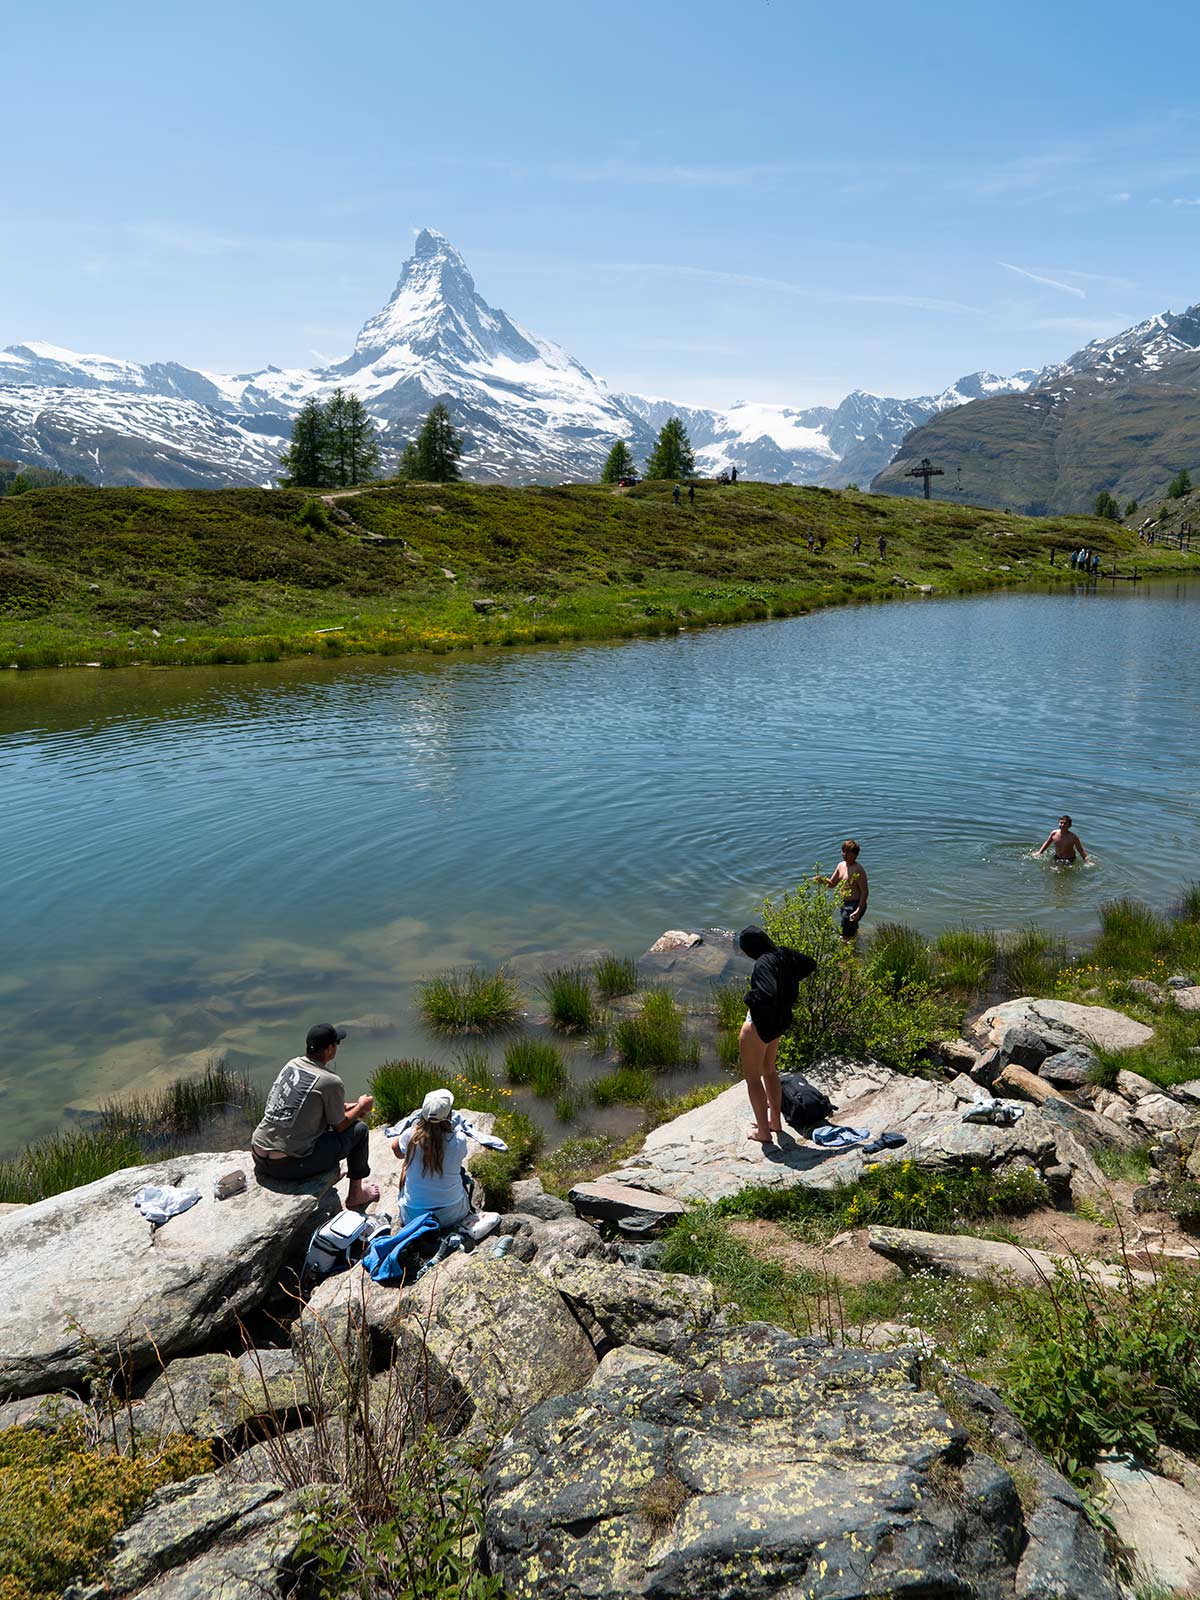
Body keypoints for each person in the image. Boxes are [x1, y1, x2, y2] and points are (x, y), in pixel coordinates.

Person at [251, 1024, 378, 1207]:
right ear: (330, 1049)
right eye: (336, 1044)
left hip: (258, 1156)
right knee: (360, 1130)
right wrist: (360, 1107)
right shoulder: (331, 1081)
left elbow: (309, 1103)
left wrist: (351, 1106)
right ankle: (356, 1195)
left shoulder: (292, 1065)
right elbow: (340, 1126)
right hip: (287, 1167)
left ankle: (325, 1170)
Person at [737, 927, 817, 1144]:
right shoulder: (783, 953)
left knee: (753, 1079)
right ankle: (775, 1122)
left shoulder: (763, 963)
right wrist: (788, 985)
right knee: (769, 1070)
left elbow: (767, 992)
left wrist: (748, 998)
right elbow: (810, 964)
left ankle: (763, 1132)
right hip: (779, 1021)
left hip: (759, 1025)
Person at [391, 1088, 479, 1227]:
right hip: (452, 1214)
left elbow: (396, 1150)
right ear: (449, 1114)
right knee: (458, 1170)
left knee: (406, 1163)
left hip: (413, 1217)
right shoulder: (458, 1139)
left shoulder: (410, 1135)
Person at [826, 839, 869, 939]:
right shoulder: (840, 865)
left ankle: (847, 948)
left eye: (847, 852)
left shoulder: (858, 869)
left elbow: (865, 892)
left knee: (844, 934)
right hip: (844, 903)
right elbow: (832, 884)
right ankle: (857, 944)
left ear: (855, 854)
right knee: (852, 930)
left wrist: (858, 910)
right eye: (843, 851)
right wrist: (822, 880)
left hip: (855, 905)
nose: (844, 854)